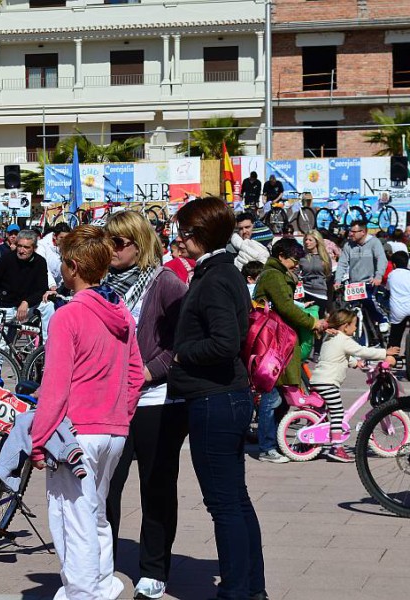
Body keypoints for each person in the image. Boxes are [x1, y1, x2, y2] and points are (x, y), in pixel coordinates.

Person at [29, 225, 145, 600]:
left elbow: (55, 387)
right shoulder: (120, 310)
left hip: (77, 433)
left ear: (73, 266)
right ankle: (101, 584)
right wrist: (122, 417)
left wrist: (39, 440)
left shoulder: (67, 316)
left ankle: (84, 593)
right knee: (94, 516)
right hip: (112, 431)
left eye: (63, 263)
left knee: (71, 519)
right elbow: (134, 374)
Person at [167, 196, 267, 600]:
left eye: (184, 233)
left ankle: (236, 591)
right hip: (225, 397)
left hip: (215, 400)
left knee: (224, 505)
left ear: (200, 235)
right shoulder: (221, 273)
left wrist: (180, 353)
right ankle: (249, 588)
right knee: (236, 501)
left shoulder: (216, 277)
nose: (179, 240)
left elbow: (225, 343)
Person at [103, 211, 188, 600]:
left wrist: (149, 373)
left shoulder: (166, 283)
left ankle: (154, 569)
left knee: (156, 487)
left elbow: (180, 342)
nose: (111, 249)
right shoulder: (103, 285)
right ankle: (103, 564)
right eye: (109, 240)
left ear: (140, 244)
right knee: (104, 488)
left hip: (156, 401)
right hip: (110, 404)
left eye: (119, 242)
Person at [254, 238, 327, 464]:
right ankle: (266, 447)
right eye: (294, 259)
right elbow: (285, 307)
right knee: (272, 396)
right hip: (273, 343)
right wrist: (311, 322)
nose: (297, 264)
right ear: (281, 256)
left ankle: (274, 442)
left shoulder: (278, 274)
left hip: (279, 340)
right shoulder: (274, 275)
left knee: (281, 397)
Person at [310, 309, 399, 462]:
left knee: (322, 412)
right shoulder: (343, 339)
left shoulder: (331, 337)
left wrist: (355, 363)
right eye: (354, 325)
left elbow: (338, 355)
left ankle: (312, 444)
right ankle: (337, 447)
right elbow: (361, 350)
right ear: (345, 326)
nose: (356, 328)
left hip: (319, 380)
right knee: (337, 411)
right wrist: (385, 353)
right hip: (328, 382)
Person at [0, 229, 54, 340]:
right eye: (19, 246)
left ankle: (47, 345)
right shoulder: (6, 259)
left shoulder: (40, 262)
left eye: (26, 247)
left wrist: (27, 302)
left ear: (34, 248)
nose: (21, 250)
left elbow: (42, 288)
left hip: (26, 306)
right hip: (5, 307)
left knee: (48, 306)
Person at [334, 220, 388, 341]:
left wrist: (378, 276)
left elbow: (381, 260)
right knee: (352, 313)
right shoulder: (348, 245)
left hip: (370, 283)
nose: (350, 234)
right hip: (354, 285)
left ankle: (382, 319)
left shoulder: (374, 243)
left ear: (363, 232)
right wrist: (337, 281)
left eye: (353, 231)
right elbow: (342, 264)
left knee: (369, 300)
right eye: (350, 231)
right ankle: (362, 341)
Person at [300, 229, 333, 354]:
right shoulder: (302, 257)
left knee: (319, 323)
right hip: (306, 291)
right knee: (307, 322)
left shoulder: (324, 258)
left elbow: (329, 277)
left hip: (321, 292)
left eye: (310, 240)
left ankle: (317, 350)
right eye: (306, 240)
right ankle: (305, 348)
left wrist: (330, 303)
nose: (307, 242)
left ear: (317, 241)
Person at [37, 222, 71, 291]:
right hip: (44, 286)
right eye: (61, 237)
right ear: (54, 236)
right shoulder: (42, 245)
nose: (64, 241)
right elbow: (43, 266)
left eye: (66, 238)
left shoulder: (68, 246)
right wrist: (52, 284)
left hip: (60, 287)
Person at [387, 251, 410, 349]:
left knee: (395, 335)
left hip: (398, 311)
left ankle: (392, 356)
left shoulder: (391, 275)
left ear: (394, 264)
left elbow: (387, 290)